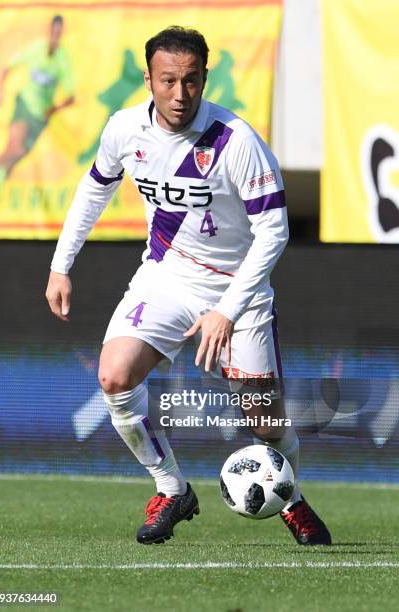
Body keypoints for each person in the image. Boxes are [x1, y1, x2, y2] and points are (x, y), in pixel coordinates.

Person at [45, 26, 331, 546]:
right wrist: (61, 266)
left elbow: (275, 230)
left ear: (206, 77)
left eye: (192, 81)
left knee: (264, 422)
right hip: (166, 276)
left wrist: (226, 309)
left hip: (236, 291)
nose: (180, 95)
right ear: (149, 78)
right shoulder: (125, 129)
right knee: (113, 377)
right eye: (169, 81)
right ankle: (171, 488)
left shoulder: (236, 140)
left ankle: (290, 498)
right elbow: (93, 192)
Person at [0, 15, 75, 187]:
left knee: (17, 156)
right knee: (15, 147)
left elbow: (71, 97)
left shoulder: (62, 59)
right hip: (25, 104)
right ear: (49, 30)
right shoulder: (36, 49)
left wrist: (54, 108)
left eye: (58, 33)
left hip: (41, 116)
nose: (55, 36)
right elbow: (7, 67)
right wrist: (0, 92)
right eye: (53, 31)